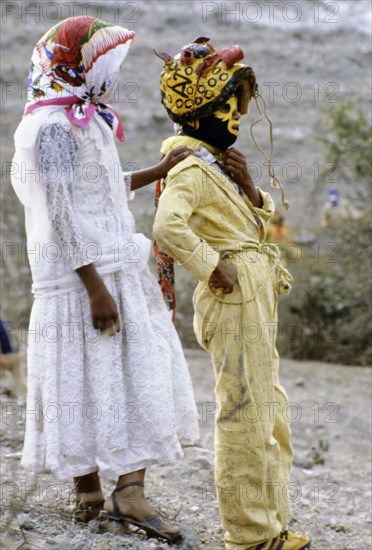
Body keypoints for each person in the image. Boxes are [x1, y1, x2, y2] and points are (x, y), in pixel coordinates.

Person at [11, 17, 199, 543]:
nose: (111, 77)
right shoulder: (52, 127)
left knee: (91, 374)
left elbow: (97, 187)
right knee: (124, 371)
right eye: (104, 66)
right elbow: (61, 210)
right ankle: (127, 495)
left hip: (104, 263)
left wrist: (157, 172)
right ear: (75, 66)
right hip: (89, 274)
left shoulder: (79, 118)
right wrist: (94, 287)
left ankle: (90, 492)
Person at [153, 38, 311, 549]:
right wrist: (212, 266)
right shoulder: (190, 168)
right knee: (243, 411)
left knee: (270, 408)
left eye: (238, 106)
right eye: (225, 107)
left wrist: (249, 189)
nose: (236, 117)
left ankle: (273, 523)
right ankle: (248, 536)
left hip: (256, 295)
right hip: (235, 297)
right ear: (198, 114)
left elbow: (255, 226)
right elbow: (167, 227)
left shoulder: (219, 165)